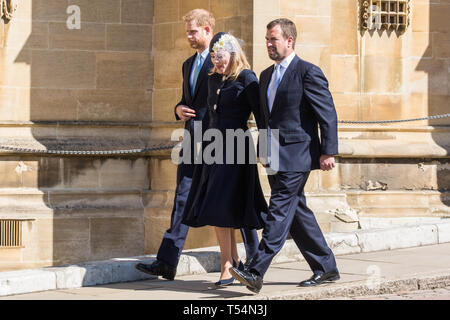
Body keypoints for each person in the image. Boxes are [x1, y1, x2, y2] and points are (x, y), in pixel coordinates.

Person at [135, 9, 259, 281]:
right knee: (183, 198)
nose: (188, 36)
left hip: (221, 143)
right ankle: (167, 262)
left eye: (192, 31)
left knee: (238, 200)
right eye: (187, 31)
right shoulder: (188, 65)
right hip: (191, 141)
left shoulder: (224, 59)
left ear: (206, 30)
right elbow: (187, 100)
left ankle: (254, 259)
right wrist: (178, 108)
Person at [230, 18, 340, 293]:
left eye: (273, 39)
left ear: (289, 41)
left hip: (298, 155)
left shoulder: (308, 72)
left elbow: (327, 114)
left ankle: (255, 270)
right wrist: (265, 151)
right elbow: (265, 119)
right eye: (267, 39)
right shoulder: (266, 75)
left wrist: (328, 151)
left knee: (278, 209)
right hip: (275, 156)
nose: (268, 44)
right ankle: (326, 268)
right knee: (297, 212)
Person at [182, 32, 268, 286]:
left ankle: (229, 265)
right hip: (213, 148)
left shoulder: (247, 78)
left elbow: (262, 118)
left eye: (221, 56)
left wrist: (266, 150)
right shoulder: (212, 79)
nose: (217, 61)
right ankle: (230, 262)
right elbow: (209, 115)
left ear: (233, 54)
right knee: (218, 206)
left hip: (236, 149)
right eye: (213, 56)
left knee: (226, 206)